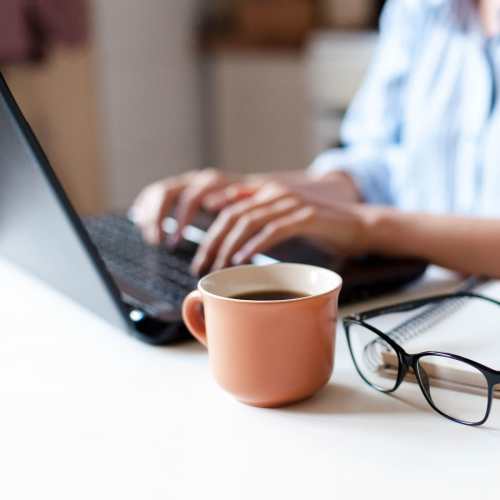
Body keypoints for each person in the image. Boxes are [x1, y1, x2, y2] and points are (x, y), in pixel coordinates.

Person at [130, 0, 500, 278]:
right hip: (429, 303)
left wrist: (368, 228)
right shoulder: (420, 9)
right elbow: (380, 165)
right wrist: (256, 194)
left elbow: (371, 217)